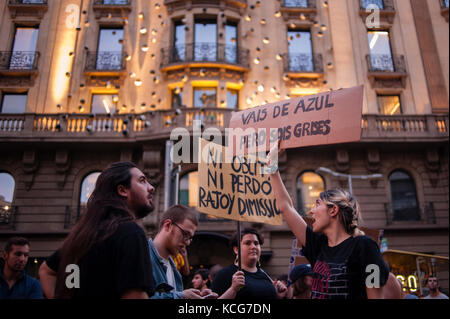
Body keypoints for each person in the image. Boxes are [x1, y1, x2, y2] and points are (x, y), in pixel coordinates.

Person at [267, 144, 389, 299]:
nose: (311, 211)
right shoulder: (317, 245)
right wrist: (272, 165)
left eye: (317, 204)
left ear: (333, 210)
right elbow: (285, 207)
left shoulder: (365, 247)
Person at [38, 161, 155, 298]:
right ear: (122, 190)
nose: (151, 187)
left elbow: (46, 271)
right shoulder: (130, 233)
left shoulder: (85, 235)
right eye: (142, 181)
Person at [149, 204, 216, 299]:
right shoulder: (141, 256)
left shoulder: (173, 267)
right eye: (185, 234)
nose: (188, 242)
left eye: (190, 238)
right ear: (168, 225)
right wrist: (182, 296)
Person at [211, 228, 288, 299]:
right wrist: (233, 289)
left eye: (256, 243)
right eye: (248, 243)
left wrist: (278, 296)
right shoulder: (224, 275)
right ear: (236, 249)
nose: (253, 246)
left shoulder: (265, 274)